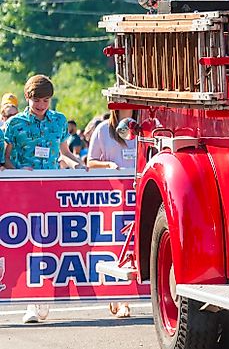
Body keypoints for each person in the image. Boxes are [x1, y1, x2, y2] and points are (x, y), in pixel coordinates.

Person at [3, 75, 82, 324]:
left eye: (46, 100)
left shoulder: (59, 121)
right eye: (37, 100)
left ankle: (41, 298)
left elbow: (64, 152)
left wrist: (78, 165)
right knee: (25, 245)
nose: (41, 105)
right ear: (28, 98)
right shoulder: (14, 124)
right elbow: (6, 159)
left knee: (48, 243)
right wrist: (18, 171)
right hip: (23, 192)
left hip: (51, 190)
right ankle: (26, 299)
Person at [86, 109, 136, 318]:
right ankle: (116, 294)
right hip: (112, 197)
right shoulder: (103, 130)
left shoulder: (145, 126)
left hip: (138, 193)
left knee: (133, 245)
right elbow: (90, 162)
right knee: (115, 244)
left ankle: (126, 300)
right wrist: (108, 165)